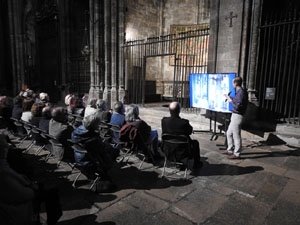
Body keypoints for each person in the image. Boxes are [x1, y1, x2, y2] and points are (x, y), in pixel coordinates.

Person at [161, 102, 202, 169]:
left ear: (169, 110)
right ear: (179, 110)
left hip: (168, 150)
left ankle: (179, 162)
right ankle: (196, 164)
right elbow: (190, 132)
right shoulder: (184, 122)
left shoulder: (164, 121)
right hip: (183, 151)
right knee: (195, 143)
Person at [224, 76, 248, 159]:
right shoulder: (240, 92)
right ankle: (229, 149)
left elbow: (237, 106)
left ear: (236, 83)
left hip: (238, 116)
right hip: (235, 115)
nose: (232, 84)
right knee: (229, 133)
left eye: (233, 82)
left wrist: (229, 99)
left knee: (236, 135)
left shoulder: (241, 92)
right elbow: (237, 101)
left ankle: (237, 153)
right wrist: (231, 98)